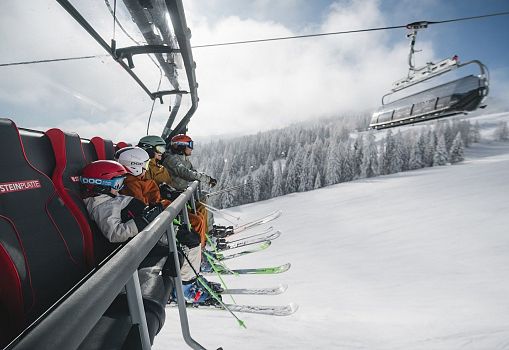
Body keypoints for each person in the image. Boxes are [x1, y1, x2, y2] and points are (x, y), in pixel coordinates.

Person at [113, 147, 222, 301]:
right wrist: (163, 207)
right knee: (190, 237)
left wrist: (167, 198)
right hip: (152, 227)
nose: (146, 169)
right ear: (134, 166)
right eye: (143, 166)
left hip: (159, 218)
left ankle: (193, 272)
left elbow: (155, 199)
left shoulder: (141, 180)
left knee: (194, 224)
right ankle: (185, 286)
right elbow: (143, 206)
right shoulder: (131, 184)